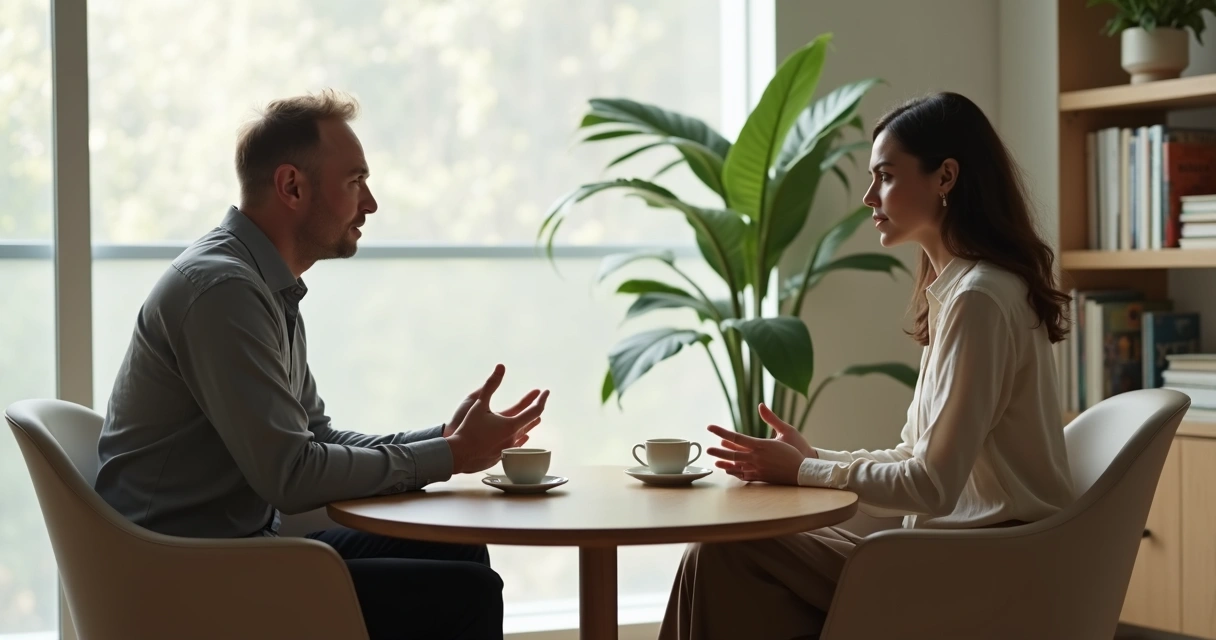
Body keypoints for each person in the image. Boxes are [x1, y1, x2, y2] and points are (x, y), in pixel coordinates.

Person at [94, 89, 547, 640]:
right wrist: (448, 456)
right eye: (355, 181)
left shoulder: (263, 286)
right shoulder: (223, 291)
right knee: (464, 596)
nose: (371, 203)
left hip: (237, 555)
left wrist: (447, 438)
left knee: (458, 549)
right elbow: (293, 475)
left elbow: (316, 436)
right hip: (187, 578)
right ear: (292, 186)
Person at [658, 91, 1076, 640]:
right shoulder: (958, 293)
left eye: (885, 176)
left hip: (980, 572)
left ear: (945, 177)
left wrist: (803, 472)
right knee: (722, 555)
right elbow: (914, 456)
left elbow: (930, 487)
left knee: (726, 554)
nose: (867, 197)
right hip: (948, 555)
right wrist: (811, 458)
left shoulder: (980, 300)